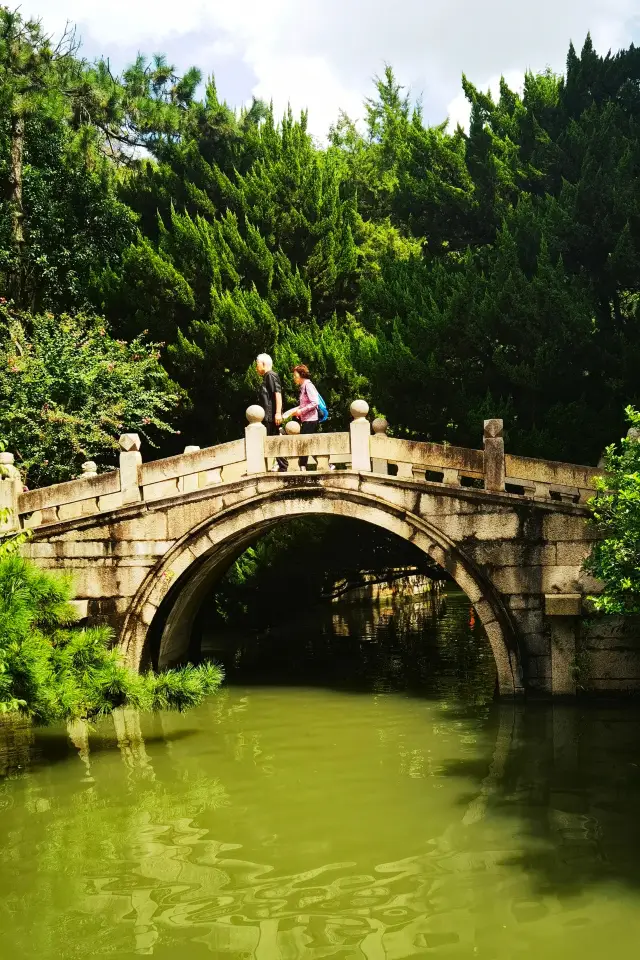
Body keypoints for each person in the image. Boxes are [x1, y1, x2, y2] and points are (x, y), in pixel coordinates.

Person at [256, 353, 287, 472]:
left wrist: (278, 413)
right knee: (273, 441)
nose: (256, 367)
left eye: (257, 364)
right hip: (268, 415)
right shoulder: (267, 376)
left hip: (270, 416)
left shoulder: (270, 375)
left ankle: (282, 466)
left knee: (273, 441)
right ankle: (281, 465)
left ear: (263, 364)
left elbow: (277, 394)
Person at [288, 364, 319, 470]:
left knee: (304, 443)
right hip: (306, 419)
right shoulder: (303, 387)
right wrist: (298, 412)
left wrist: (301, 411)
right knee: (308, 444)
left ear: (301, 375)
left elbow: (315, 402)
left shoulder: (308, 385)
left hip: (311, 420)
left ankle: (302, 466)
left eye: (295, 375)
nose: (294, 377)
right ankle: (326, 464)